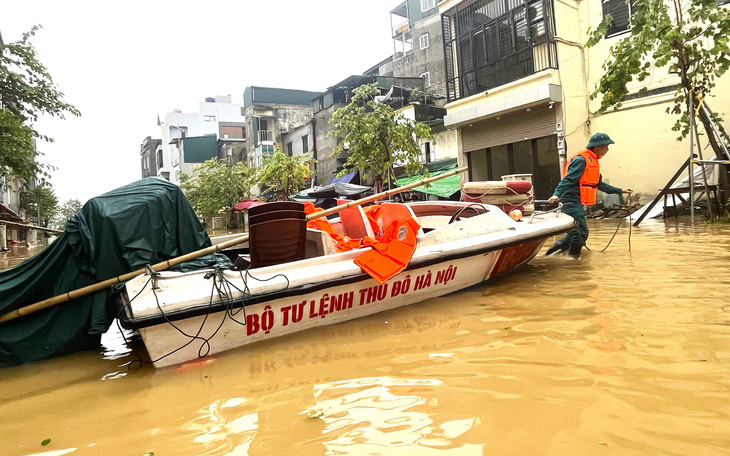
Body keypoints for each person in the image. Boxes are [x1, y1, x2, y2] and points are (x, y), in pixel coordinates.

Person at [545, 132, 633, 259]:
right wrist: (556, 194)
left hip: (577, 200)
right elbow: (568, 179)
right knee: (581, 232)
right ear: (598, 148)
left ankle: (550, 256)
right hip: (570, 200)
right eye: (606, 146)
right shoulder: (581, 160)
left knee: (574, 233)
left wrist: (621, 191)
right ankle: (573, 260)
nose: (607, 149)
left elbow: (599, 185)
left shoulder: (593, 161)